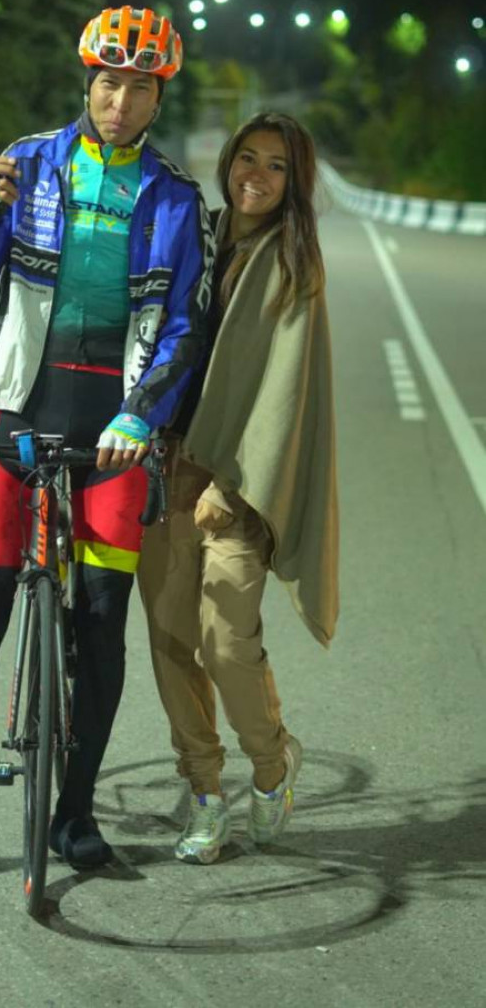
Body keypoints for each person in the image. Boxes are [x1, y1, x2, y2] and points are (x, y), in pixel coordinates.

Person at [0, 6, 214, 880]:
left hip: (116, 423)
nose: (120, 101)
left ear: (158, 99)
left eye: (138, 88)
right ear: (88, 84)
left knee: (102, 614)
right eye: (108, 83)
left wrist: (141, 415)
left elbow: (185, 325)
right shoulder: (27, 163)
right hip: (18, 408)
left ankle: (74, 814)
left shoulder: (176, 198)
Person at [138, 112, 339, 864]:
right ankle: (203, 793)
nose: (257, 174)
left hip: (242, 480)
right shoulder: (198, 236)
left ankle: (271, 761)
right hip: (167, 463)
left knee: (225, 641)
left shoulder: (293, 263)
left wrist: (228, 483)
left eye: (276, 166)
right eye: (247, 157)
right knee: (170, 640)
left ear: (296, 182)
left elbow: (282, 393)